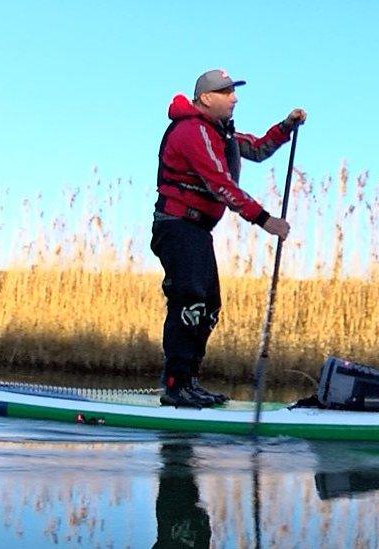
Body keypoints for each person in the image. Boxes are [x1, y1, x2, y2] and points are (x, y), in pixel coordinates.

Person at [151, 69, 306, 408]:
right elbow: (220, 185)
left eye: (234, 92)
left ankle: (189, 382)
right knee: (190, 302)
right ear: (206, 98)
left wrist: (286, 126)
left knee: (209, 308)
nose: (234, 98)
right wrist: (265, 220)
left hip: (196, 232)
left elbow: (260, 148)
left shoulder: (221, 134)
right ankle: (176, 386)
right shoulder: (191, 131)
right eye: (226, 92)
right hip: (176, 227)